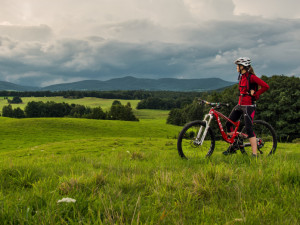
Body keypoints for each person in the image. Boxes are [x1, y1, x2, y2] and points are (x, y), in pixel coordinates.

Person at [223, 57, 269, 157]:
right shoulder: (241, 77)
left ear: (242, 66)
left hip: (249, 105)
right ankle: (234, 146)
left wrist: (256, 93)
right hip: (240, 104)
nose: (236, 67)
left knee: (248, 128)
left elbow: (266, 86)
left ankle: (254, 154)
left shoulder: (251, 77)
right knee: (228, 123)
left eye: (237, 65)